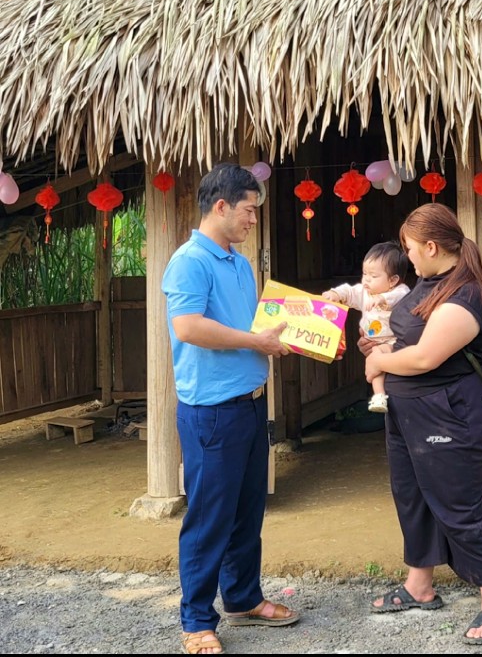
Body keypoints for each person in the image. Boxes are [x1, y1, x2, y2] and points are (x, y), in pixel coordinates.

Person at [360, 202, 482, 646]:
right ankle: (419, 586)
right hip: (406, 411)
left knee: (460, 503)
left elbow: (427, 355)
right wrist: (378, 344)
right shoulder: (427, 284)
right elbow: (406, 335)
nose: (405, 256)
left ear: (431, 246)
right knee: (413, 497)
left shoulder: (466, 295)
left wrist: (382, 361)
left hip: (449, 411)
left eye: (409, 248)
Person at [161, 163, 301, 654]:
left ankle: (242, 598)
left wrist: (304, 334)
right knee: (209, 517)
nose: (253, 220)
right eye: (249, 210)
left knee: (247, 511)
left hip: (250, 406)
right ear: (220, 206)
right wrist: (255, 340)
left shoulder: (239, 264)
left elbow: (256, 326)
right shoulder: (188, 261)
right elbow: (189, 328)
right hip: (211, 412)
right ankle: (197, 621)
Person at [322, 242, 412, 413]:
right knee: (375, 370)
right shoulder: (364, 292)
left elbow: (401, 295)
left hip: (394, 343)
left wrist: (382, 299)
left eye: (373, 276)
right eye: (364, 274)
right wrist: (335, 294)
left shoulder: (400, 291)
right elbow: (348, 292)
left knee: (376, 362)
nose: (366, 280)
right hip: (373, 344)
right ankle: (379, 397)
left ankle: (381, 396)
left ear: (393, 280)